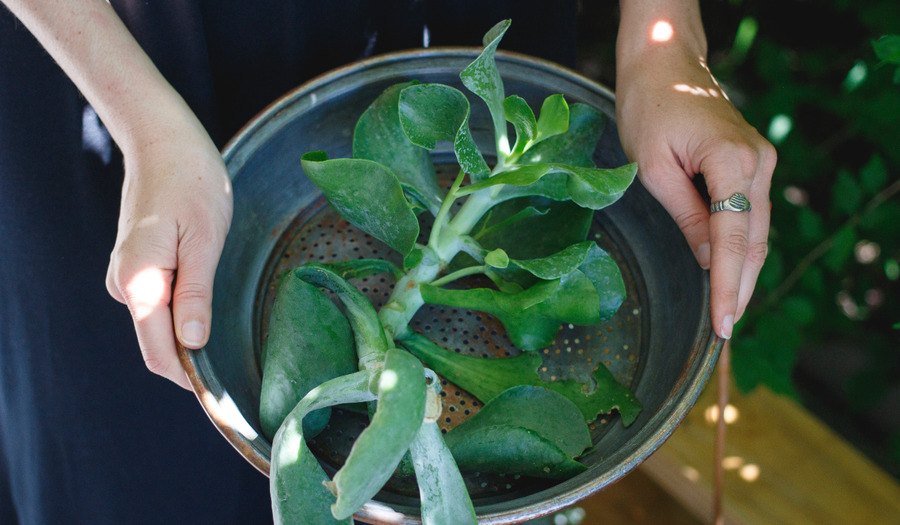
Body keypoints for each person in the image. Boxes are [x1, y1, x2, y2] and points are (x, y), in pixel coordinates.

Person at [0, 0, 774, 523]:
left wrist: (665, 39)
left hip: (476, 37)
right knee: (139, 464)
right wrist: (143, 121)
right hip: (126, 58)